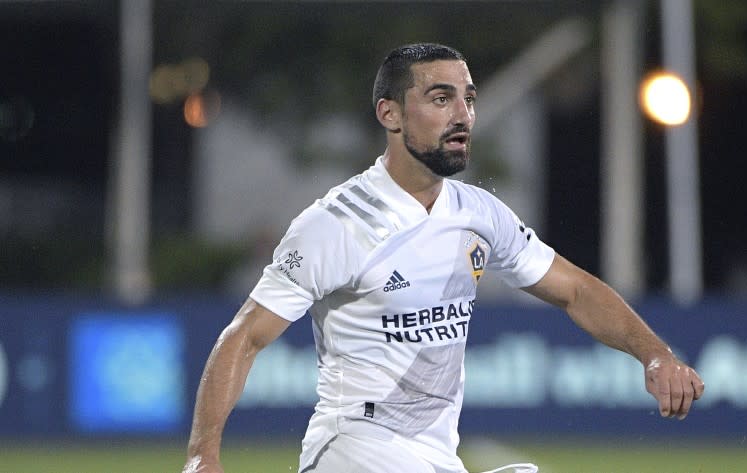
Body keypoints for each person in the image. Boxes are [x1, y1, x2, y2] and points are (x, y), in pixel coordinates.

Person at [182, 43, 704, 473]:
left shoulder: (478, 213)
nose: (462, 115)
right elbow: (245, 335)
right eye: (440, 98)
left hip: (433, 458)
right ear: (390, 113)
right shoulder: (334, 225)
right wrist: (203, 457)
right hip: (352, 451)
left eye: (469, 99)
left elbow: (576, 290)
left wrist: (654, 354)